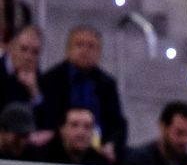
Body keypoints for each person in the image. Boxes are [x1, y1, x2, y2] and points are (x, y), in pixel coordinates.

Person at [34, 26, 126, 155]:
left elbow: (117, 123)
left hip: (98, 150)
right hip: (57, 150)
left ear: (99, 52)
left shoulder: (107, 84)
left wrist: (111, 144)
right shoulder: (51, 80)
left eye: (91, 46)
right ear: (68, 49)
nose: (85, 50)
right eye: (79, 45)